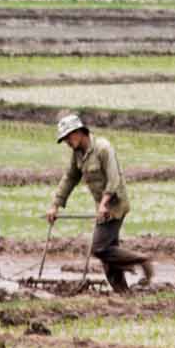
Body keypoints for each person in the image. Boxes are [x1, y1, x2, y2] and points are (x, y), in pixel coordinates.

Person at [48, 111, 149, 289]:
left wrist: (104, 205)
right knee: (107, 254)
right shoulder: (77, 153)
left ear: (78, 132)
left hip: (115, 205)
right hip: (101, 206)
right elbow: (69, 178)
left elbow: (114, 179)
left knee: (100, 248)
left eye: (68, 138)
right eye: (64, 140)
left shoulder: (103, 148)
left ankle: (142, 261)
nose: (67, 143)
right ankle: (122, 292)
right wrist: (55, 205)